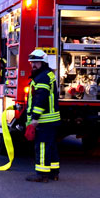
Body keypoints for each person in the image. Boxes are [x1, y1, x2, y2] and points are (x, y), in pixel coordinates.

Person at [25, 49, 62, 183]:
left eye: (37, 62)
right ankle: (54, 173)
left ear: (43, 63)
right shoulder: (48, 75)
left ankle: (41, 174)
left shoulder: (41, 77)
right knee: (51, 146)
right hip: (52, 119)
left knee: (41, 146)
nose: (33, 65)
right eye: (32, 62)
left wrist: (35, 118)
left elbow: (40, 99)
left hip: (44, 119)